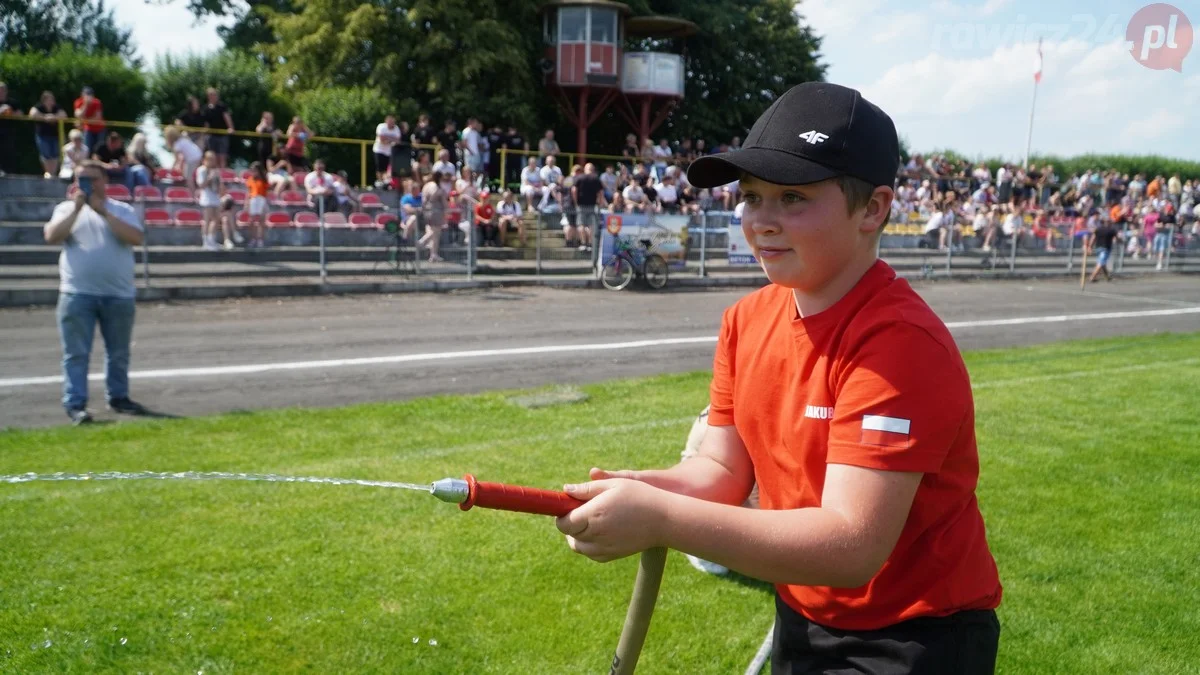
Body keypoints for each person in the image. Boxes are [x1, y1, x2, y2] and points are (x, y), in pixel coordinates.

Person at [554, 82, 1002, 674]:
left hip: (915, 635)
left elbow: (850, 545)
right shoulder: (746, 319)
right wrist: (647, 489)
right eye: (752, 196)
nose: (762, 220)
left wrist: (660, 517)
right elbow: (720, 470)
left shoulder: (898, 344)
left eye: (792, 197)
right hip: (803, 609)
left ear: (873, 209)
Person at [42, 160, 148, 425]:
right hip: (78, 294)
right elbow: (52, 236)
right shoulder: (65, 209)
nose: (86, 184)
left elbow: (135, 238)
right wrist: (78, 209)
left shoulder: (121, 209)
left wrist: (103, 212)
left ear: (105, 182)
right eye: (81, 179)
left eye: (92, 179)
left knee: (119, 352)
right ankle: (76, 404)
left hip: (119, 294)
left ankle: (118, 396)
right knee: (76, 353)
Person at [30, 91, 67, 179]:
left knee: (55, 154)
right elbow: (32, 114)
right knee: (45, 154)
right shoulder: (39, 107)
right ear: (44, 100)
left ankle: (53, 174)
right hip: (43, 135)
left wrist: (53, 117)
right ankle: (48, 173)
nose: (51, 101)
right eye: (49, 99)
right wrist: (45, 117)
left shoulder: (57, 107)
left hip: (56, 136)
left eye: (52, 99)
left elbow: (64, 115)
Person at [1088, 216, 1121, 283]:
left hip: (1098, 248)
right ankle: (1093, 277)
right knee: (1101, 263)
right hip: (1105, 249)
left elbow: (1093, 238)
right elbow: (1117, 239)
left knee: (1102, 263)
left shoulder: (1098, 229)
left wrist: (1090, 247)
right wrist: (1121, 241)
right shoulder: (1112, 230)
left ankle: (1107, 277)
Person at [245, 162, 270, 249]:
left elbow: (266, 193)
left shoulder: (264, 180)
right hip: (253, 200)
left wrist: (265, 204)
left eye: (255, 170)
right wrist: (246, 203)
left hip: (261, 199)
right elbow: (248, 193)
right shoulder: (250, 180)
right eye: (252, 171)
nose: (254, 172)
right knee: (251, 221)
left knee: (261, 221)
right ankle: (253, 239)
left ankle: (260, 240)